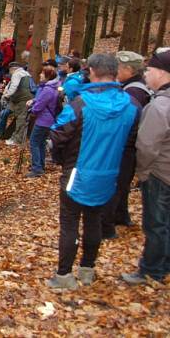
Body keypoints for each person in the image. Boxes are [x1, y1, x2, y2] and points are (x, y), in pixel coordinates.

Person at [47, 53, 140, 289]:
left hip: (78, 172)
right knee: (94, 220)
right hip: (109, 173)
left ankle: (64, 275)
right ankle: (87, 269)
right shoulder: (131, 105)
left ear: (91, 72)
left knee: (69, 223)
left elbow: (57, 135)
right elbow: (130, 140)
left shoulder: (81, 104)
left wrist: (61, 159)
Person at [122, 48, 170, 285]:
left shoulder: (160, 106)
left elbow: (147, 145)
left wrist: (143, 173)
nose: (146, 74)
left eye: (149, 70)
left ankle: (151, 270)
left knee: (155, 224)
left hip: (160, 173)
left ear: (162, 73)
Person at [103, 51, 153, 238]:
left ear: (129, 69)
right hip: (128, 146)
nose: (115, 71)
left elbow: (127, 120)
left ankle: (108, 224)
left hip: (125, 146)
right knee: (121, 184)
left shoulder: (134, 91)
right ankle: (121, 215)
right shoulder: (131, 87)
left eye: (119, 68)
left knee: (115, 184)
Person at [26, 67, 61, 178]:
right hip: (49, 120)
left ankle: (37, 168)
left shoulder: (47, 89)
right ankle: (40, 165)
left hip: (43, 120)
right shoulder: (53, 87)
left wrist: (32, 109)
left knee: (34, 142)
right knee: (40, 142)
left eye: (42, 73)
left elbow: (40, 105)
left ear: (48, 76)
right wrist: (34, 101)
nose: (40, 74)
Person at [2, 62, 34, 146]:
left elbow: (13, 87)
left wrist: (6, 95)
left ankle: (16, 140)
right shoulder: (26, 74)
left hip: (22, 100)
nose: (10, 72)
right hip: (28, 98)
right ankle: (15, 137)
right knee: (21, 118)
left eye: (10, 70)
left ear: (12, 69)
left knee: (21, 119)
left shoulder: (17, 74)